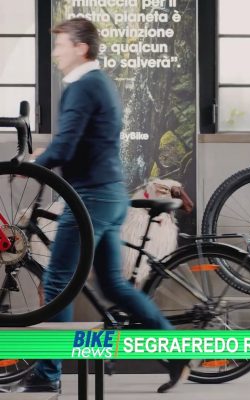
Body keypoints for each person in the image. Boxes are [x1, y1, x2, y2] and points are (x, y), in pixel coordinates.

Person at [16, 17, 189, 394]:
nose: (56, 52)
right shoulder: (101, 84)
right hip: (110, 195)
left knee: (58, 281)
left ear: (81, 48)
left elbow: (67, 145)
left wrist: (30, 164)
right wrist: (48, 154)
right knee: (113, 285)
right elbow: (80, 140)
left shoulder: (83, 86)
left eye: (61, 44)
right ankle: (175, 353)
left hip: (90, 199)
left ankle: (48, 373)